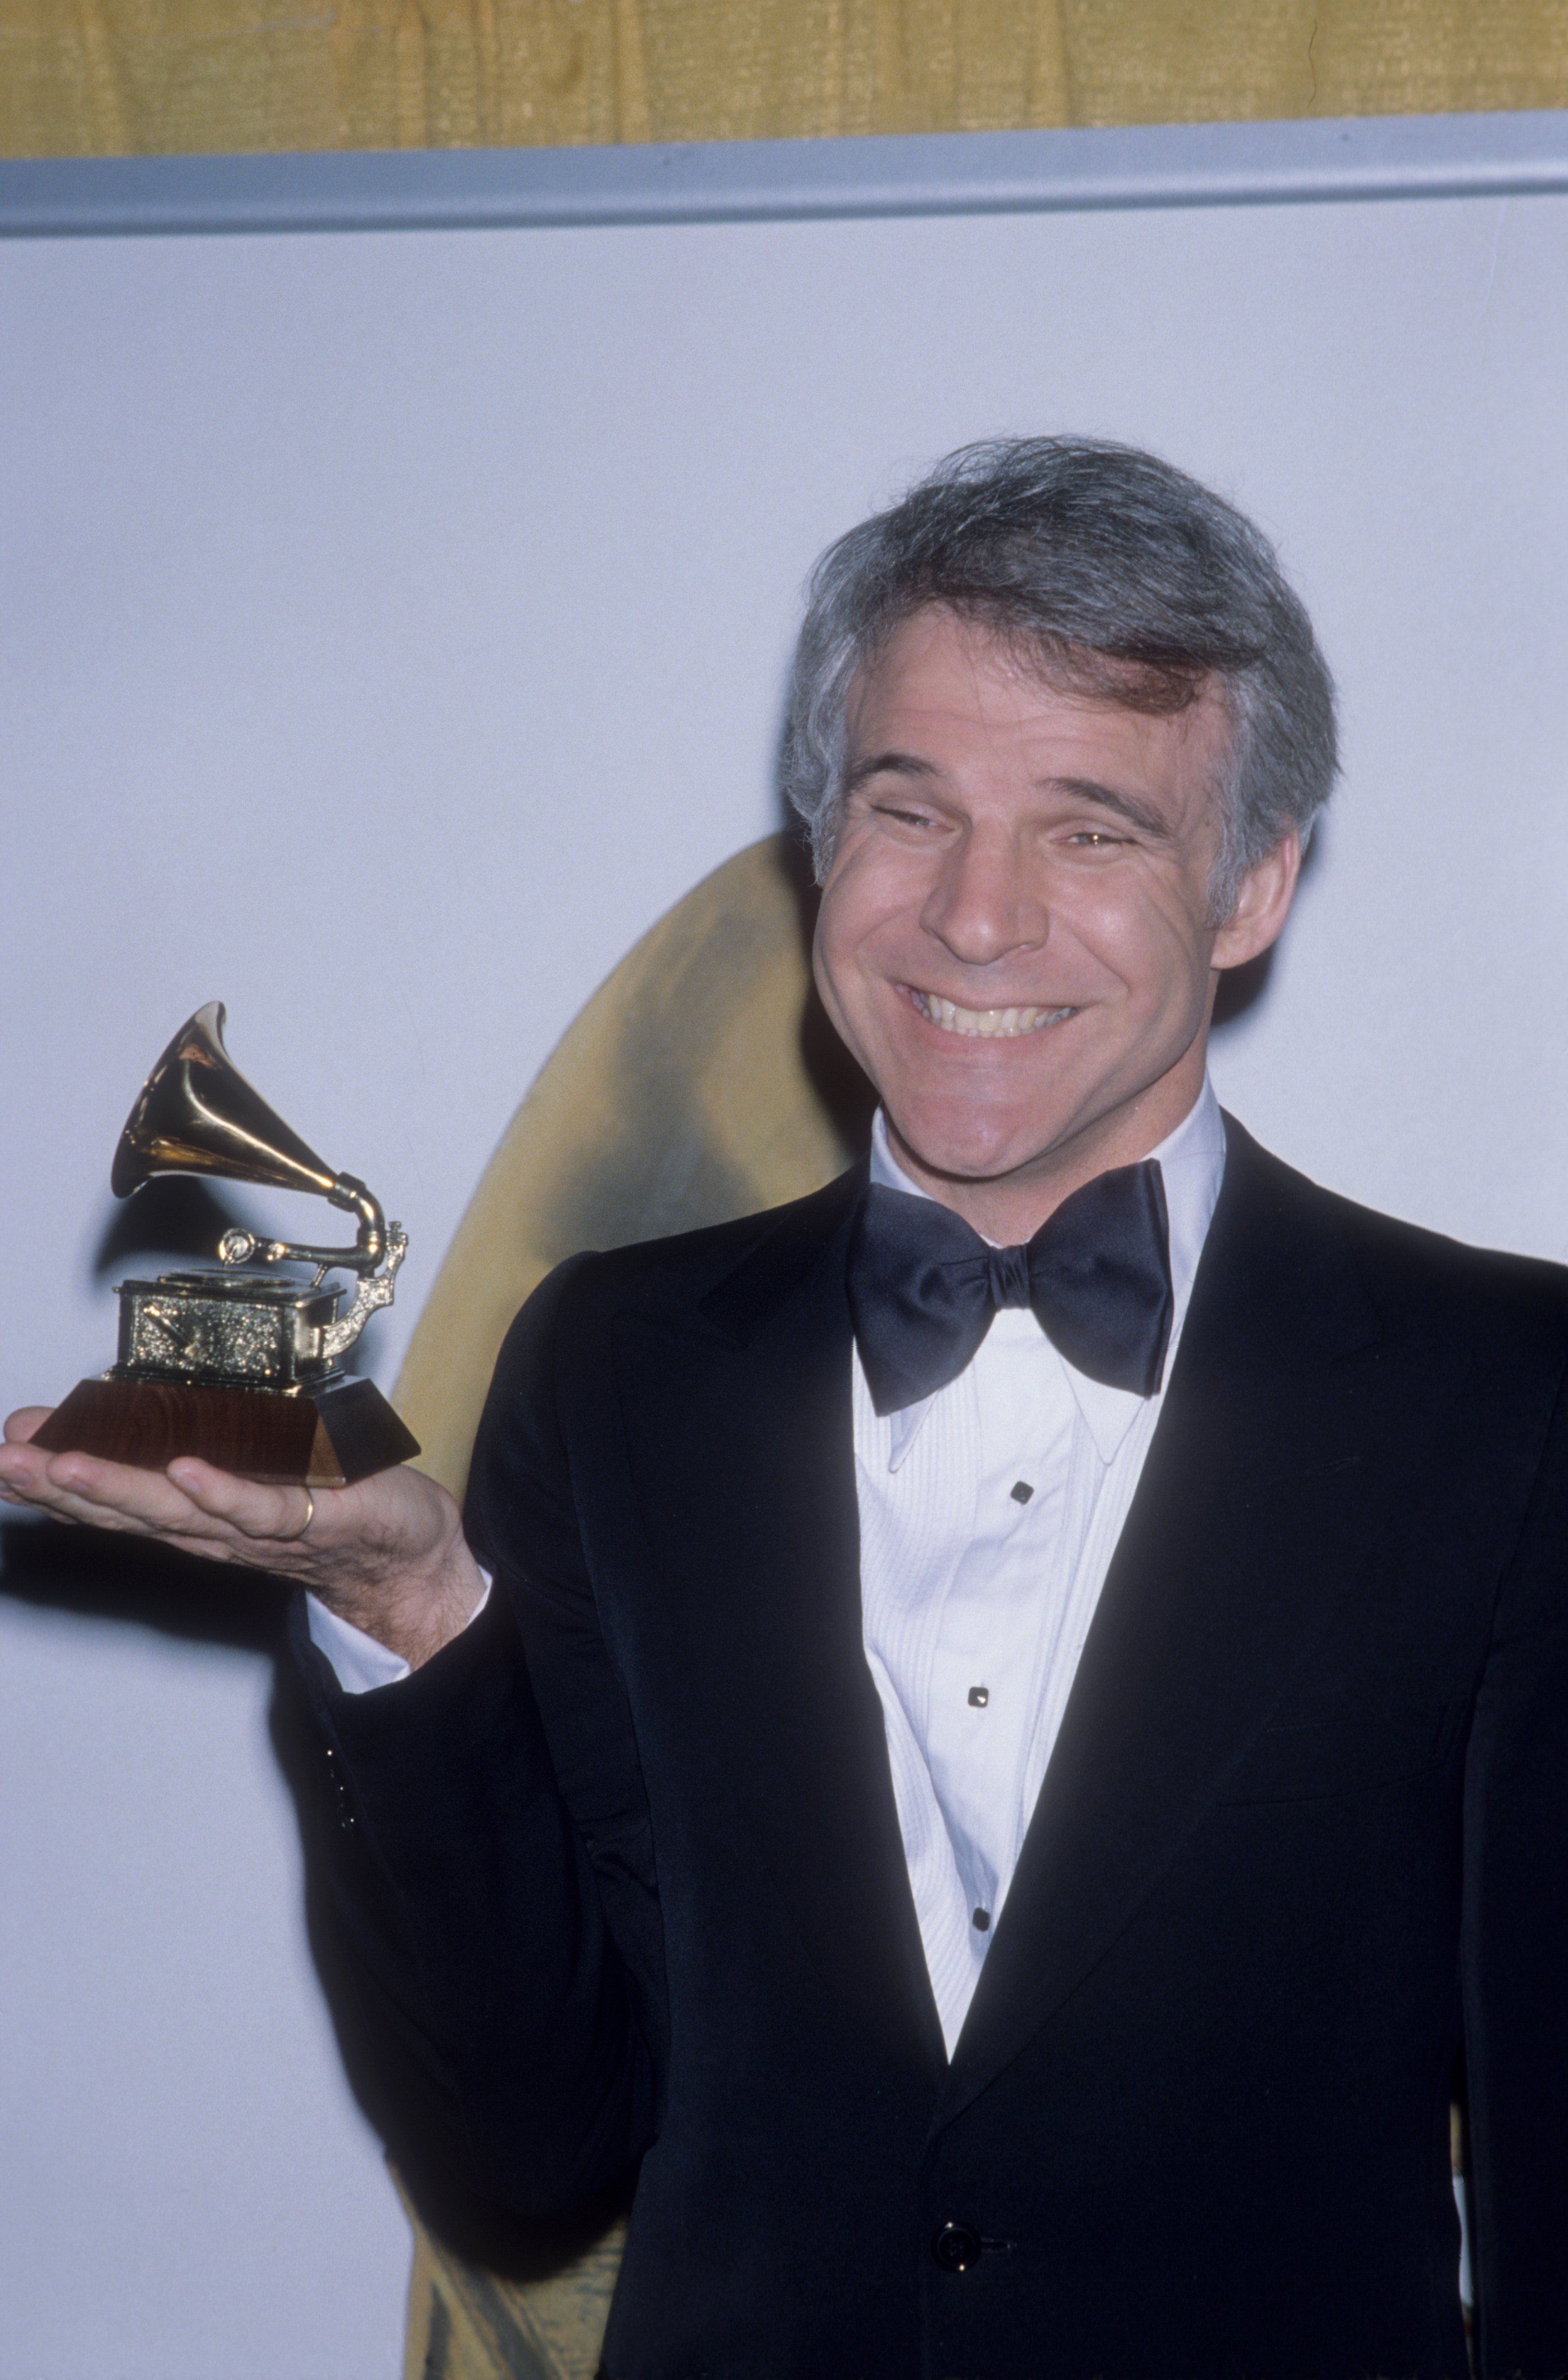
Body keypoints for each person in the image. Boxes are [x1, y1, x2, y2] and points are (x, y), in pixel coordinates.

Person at [3, 438, 1565, 2380]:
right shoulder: (613, 1366)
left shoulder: (1512, 1401)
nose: (975, 920)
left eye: (1091, 831)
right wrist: (415, 1630)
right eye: (913, 812)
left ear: (1251, 884)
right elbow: (533, 2145)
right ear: (826, 844)